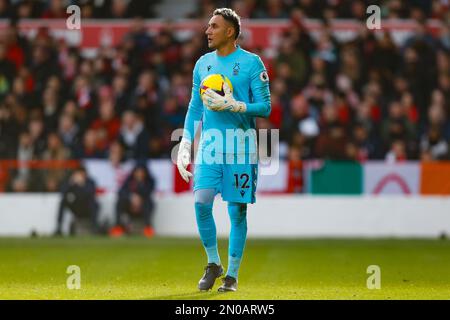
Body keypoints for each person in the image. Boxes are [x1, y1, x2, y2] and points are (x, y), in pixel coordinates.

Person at [176, 8, 271, 292]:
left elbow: (265, 107)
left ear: (230, 31)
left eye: (214, 26)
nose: (208, 31)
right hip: (210, 148)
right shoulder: (202, 64)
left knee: (237, 211)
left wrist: (236, 106)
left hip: (241, 147)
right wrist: (184, 142)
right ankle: (213, 263)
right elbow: (195, 108)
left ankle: (231, 275)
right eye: (208, 26)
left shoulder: (253, 63)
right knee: (201, 201)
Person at [109, 163, 156, 238]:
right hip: (129, 206)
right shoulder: (129, 180)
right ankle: (117, 227)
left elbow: (148, 192)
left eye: (141, 172)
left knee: (149, 203)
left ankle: (148, 227)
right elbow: (121, 192)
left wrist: (139, 198)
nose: (139, 174)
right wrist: (131, 197)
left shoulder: (150, 181)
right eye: (138, 172)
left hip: (143, 206)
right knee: (120, 201)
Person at [55, 167, 99, 235]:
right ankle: (58, 227)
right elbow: (63, 192)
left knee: (94, 204)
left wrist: (82, 184)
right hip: (76, 207)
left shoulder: (90, 182)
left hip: (86, 207)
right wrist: (71, 183)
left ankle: (94, 227)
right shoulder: (71, 182)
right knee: (63, 202)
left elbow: (91, 194)